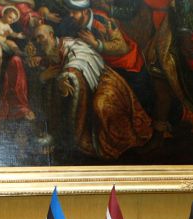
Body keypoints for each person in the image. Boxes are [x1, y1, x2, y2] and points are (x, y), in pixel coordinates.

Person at [29, 23, 151, 159]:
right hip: (85, 88)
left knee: (101, 105)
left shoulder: (70, 44)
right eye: (36, 39)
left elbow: (80, 59)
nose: (38, 41)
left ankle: (122, 145)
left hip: (102, 81)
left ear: (51, 35)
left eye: (40, 37)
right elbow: (49, 65)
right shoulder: (49, 49)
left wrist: (65, 75)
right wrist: (42, 75)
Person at [0, 6, 26, 77]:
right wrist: (10, 33)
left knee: (11, 43)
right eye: (10, 17)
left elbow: (12, 33)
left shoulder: (7, 25)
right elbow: (2, 33)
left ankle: (18, 52)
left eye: (13, 19)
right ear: (4, 15)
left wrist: (18, 35)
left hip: (3, 41)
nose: (11, 20)